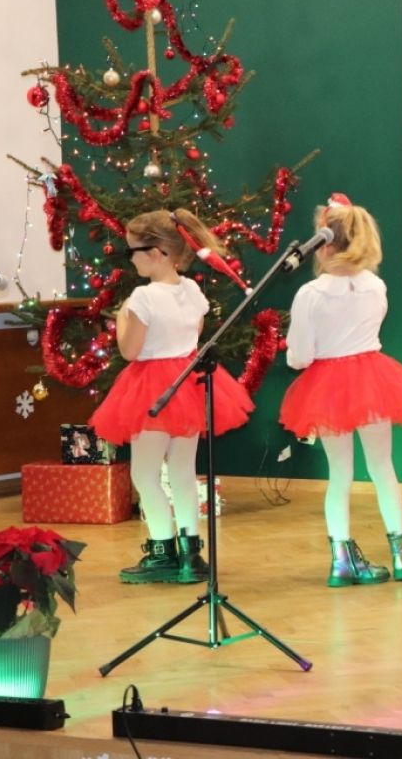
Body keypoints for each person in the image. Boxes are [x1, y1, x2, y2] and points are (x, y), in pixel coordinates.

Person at [90, 209, 254, 584]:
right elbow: (194, 333)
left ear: (156, 253)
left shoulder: (143, 297)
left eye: (133, 251)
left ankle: (163, 551)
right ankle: (191, 556)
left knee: (144, 473)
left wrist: (122, 319)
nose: (130, 259)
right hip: (188, 382)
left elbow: (130, 351)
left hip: (152, 388)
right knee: (182, 472)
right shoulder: (192, 290)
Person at [279, 194, 402, 587]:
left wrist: (296, 352)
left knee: (340, 474)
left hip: (328, 385)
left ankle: (342, 561)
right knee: (382, 467)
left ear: (323, 243)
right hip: (371, 379)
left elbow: (300, 356)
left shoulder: (311, 294)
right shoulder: (375, 286)